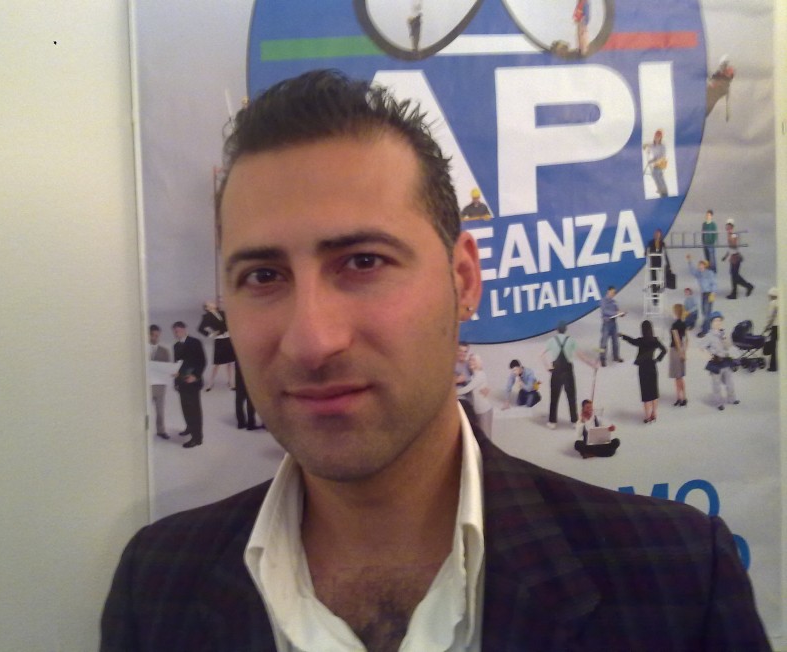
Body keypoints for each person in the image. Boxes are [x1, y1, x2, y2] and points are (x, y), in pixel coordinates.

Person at [102, 70, 769, 651]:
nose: (311, 340)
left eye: (364, 262)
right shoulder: (156, 587)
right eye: (263, 276)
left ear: (464, 280)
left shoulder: (678, 580)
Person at [541, 320, 596, 429]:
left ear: (557, 330)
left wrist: (547, 367)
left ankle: (552, 422)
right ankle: (574, 421)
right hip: (568, 372)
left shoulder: (551, 340)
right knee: (571, 397)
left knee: (554, 397)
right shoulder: (571, 340)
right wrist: (592, 364)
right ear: (566, 329)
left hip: (556, 371)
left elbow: (541, 355)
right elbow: (581, 356)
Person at [620, 320, 667, 423]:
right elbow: (664, 350)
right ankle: (654, 413)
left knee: (646, 394)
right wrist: (657, 359)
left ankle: (647, 416)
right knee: (654, 393)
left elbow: (632, 341)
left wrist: (623, 336)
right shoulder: (655, 340)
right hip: (652, 367)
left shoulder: (641, 341)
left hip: (643, 368)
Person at [171, 321, 206, 448]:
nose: (176, 333)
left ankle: (197, 438)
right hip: (182, 382)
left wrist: (195, 376)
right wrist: (176, 380)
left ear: (184, 329)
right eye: (175, 331)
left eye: (178, 330)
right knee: (185, 407)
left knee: (194, 410)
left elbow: (202, 361)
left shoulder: (195, 342)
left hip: (193, 381)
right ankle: (189, 428)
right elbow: (177, 364)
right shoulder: (176, 346)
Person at [702, 312, 739, 411]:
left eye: (719, 320)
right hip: (715, 362)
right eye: (715, 321)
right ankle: (718, 403)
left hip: (725, 361)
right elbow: (702, 347)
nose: (717, 322)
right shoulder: (709, 336)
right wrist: (709, 356)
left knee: (729, 382)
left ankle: (732, 398)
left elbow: (729, 346)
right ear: (711, 323)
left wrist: (724, 338)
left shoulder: (724, 333)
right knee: (716, 384)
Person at [197, 301, 235, 390]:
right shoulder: (207, 316)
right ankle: (210, 383)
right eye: (209, 303)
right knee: (217, 363)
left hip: (228, 338)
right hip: (219, 339)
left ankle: (231, 382)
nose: (212, 303)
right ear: (207, 308)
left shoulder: (222, 313)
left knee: (230, 362)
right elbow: (200, 328)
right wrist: (211, 334)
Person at [455, 354, 493, 439]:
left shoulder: (480, 375)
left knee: (486, 437)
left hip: (484, 410)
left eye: (473, 360)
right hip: (476, 410)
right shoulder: (472, 377)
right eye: (470, 360)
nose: (471, 362)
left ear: (478, 362)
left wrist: (452, 393)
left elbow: (466, 389)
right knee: (478, 437)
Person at [148, 325, 171, 439]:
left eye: (157, 335)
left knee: (160, 410)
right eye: (152, 335)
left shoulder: (164, 351)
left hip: (159, 385)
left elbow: (167, 368)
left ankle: (161, 431)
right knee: (143, 411)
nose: (155, 337)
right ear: (148, 335)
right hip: (146, 385)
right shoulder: (142, 349)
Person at [721, 218, 753, 299]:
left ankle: (747, 287)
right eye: (727, 226)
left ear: (732, 227)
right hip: (733, 258)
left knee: (735, 276)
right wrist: (725, 256)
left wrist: (730, 237)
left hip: (736, 258)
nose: (727, 228)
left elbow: (734, 246)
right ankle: (736, 292)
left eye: (729, 226)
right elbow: (730, 248)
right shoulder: (729, 235)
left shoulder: (734, 235)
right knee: (734, 276)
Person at [687, 255, 717, 337]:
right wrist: (689, 261)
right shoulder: (699, 273)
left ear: (705, 265)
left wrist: (713, 293)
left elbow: (714, 283)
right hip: (704, 294)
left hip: (709, 293)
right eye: (699, 265)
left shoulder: (709, 273)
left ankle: (705, 330)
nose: (699, 266)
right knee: (704, 311)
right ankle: (707, 325)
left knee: (706, 312)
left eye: (701, 265)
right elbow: (692, 271)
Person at [598, 285, 624, 365]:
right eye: (612, 292)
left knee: (615, 341)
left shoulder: (614, 302)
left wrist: (621, 313)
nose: (613, 294)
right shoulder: (603, 301)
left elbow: (617, 310)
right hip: (606, 323)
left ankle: (616, 356)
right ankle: (602, 358)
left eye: (614, 293)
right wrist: (616, 313)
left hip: (613, 323)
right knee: (603, 342)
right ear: (608, 291)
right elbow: (605, 311)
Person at [669, 304, 689, 407]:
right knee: (680, 377)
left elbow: (676, 339)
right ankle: (682, 396)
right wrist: (684, 351)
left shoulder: (674, 325)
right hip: (682, 350)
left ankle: (680, 397)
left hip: (675, 351)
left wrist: (680, 352)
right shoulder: (684, 324)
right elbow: (686, 339)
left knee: (677, 377)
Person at [643, 130, 668, 197]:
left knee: (657, 175)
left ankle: (664, 191)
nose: (657, 138)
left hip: (661, 163)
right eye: (656, 136)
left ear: (660, 138)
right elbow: (646, 146)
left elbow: (662, 157)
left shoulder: (662, 146)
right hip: (655, 164)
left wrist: (655, 161)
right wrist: (646, 147)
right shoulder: (653, 146)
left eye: (658, 137)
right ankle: (661, 190)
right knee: (655, 176)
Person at [645, 227, 669, 298]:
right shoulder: (650, 242)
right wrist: (648, 253)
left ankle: (659, 288)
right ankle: (654, 295)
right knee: (653, 278)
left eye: (659, 234)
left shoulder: (662, 243)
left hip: (659, 262)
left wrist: (668, 263)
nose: (658, 235)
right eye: (656, 234)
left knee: (663, 276)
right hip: (652, 262)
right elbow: (647, 251)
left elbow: (665, 254)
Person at [763, 287, 778, 372]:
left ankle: (773, 366)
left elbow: (770, 317)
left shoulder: (773, 303)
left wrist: (766, 326)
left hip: (776, 326)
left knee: (773, 346)